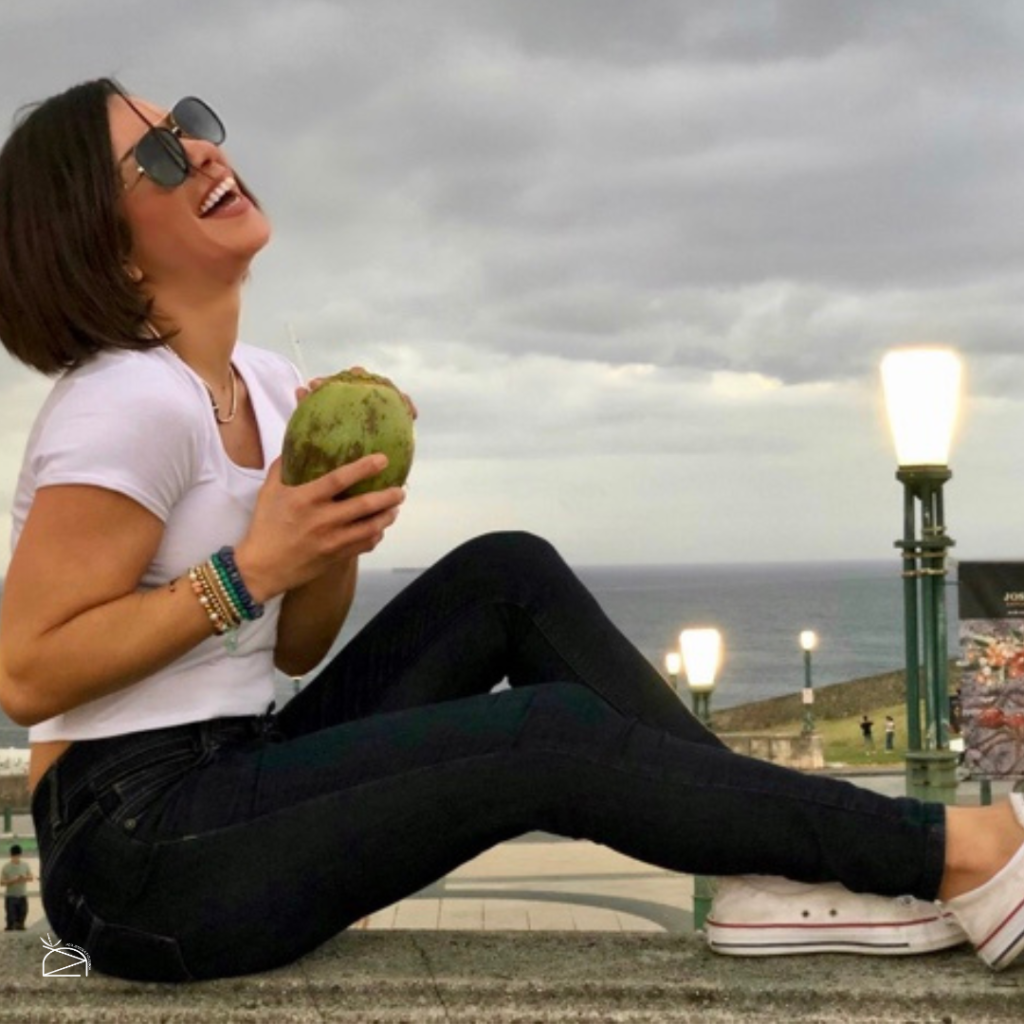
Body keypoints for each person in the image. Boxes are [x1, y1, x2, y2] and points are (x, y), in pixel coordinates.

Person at [0, 79, 1021, 983]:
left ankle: (765, 869)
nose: (205, 148)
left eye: (190, 123)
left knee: (506, 575)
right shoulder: (127, 401)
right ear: (103, 246)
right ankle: (959, 850)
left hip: (234, 765)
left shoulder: (266, 386)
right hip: (129, 856)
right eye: (161, 154)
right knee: (543, 736)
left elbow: (300, 646)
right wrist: (250, 566)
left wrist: (327, 539)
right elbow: (27, 672)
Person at [2, 844, 33, 931]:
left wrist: (24, 878)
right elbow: (2, 882)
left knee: (23, 914)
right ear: (11, 856)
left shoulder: (25, 865)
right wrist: (13, 881)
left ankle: (20, 926)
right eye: (14, 856)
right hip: (11, 895)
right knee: (11, 918)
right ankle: (10, 926)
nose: (16, 858)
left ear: (20, 855)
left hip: (22, 894)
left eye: (17, 856)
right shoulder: (6, 867)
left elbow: (30, 877)